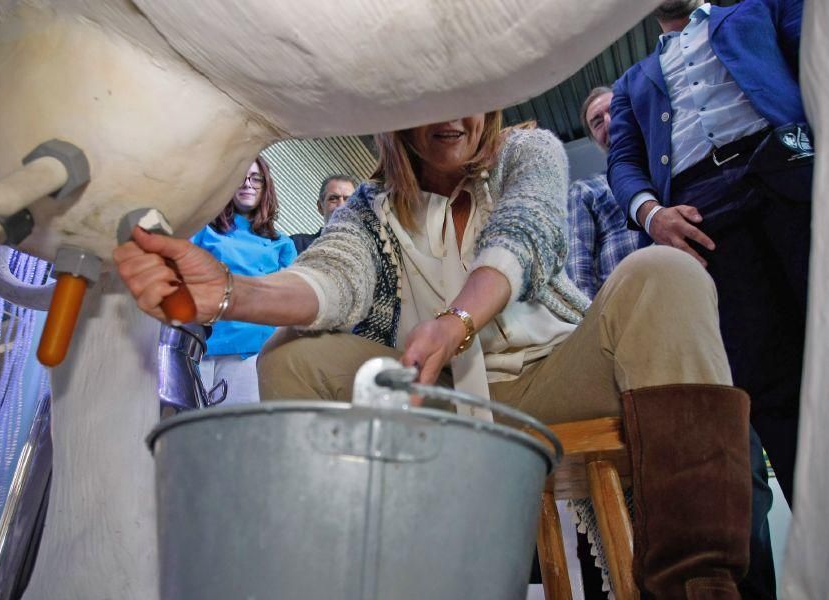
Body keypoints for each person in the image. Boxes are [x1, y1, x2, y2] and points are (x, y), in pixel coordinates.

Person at [116, 111, 753, 597]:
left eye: (469, 94)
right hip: (444, 404)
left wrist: (456, 320)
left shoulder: (527, 151)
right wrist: (227, 293)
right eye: (430, 99)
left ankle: (697, 586)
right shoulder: (368, 211)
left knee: (666, 272)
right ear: (398, 115)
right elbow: (329, 279)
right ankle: (355, 573)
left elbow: (524, 234)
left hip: (559, 375)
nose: (452, 114)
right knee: (288, 356)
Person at [608, 0, 809, 512]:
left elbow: (814, 54)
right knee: (768, 388)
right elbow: (625, 163)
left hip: (790, 170)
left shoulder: (755, 8)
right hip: (704, 217)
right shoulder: (633, 82)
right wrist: (653, 215)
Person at [582, 82, 778, 598]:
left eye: (610, 115)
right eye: (595, 122)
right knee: (652, 498)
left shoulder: (685, 183)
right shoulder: (593, 197)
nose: (606, 124)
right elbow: (581, 282)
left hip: (709, 344)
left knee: (742, 485)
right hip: (632, 350)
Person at [190, 155, 296, 404]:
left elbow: (290, 303)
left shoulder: (282, 243)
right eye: (240, 177)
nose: (248, 184)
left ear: (266, 186)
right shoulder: (203, 229)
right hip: (199, 345)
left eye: (256, 178)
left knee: (233, 435)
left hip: (250, 355)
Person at [567, 86, 646, 298]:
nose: (610, 123)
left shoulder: (670, 169)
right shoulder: (586, 190)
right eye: (597, 122)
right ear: (594, 140)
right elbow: (578, 267)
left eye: (615, 111)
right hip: (629, 310)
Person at [290, 174, 358, 253]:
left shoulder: (369, 257)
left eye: (349, 200)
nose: (341, 206)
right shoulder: (295, 245)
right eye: (333, 199)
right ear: (320, 207)